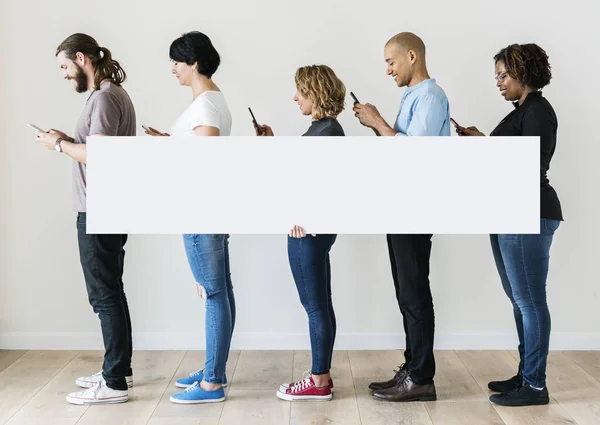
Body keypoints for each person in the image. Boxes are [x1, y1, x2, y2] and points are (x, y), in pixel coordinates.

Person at [458, 43, 562, 407]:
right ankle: (526, 373)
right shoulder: (522, 110)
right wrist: (483, 144)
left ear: (523, 72)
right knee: (521, 300)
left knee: (531, 301)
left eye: (503, 75)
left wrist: (485, 148)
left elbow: (526, 167)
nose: (498, 83)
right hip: (511, 212)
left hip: (528, 211)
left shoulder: (537, 111)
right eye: (496, 77)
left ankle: (535, 385)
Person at [35, 33, 136, 405]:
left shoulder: (107, 96)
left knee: (104, 295)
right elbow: (95, 146)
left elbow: (100, 156)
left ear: (81, 58)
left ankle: (114, 383)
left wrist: (59, 145)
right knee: (111, 291)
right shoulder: (105, 94)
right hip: (103, 207)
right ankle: (117, 369)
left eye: (65, 66)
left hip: (99, 208)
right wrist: (66, 139)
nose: (64, 74)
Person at [353, 32, 450, 402]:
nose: (388, 70)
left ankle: (422, 378)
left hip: (417, 207)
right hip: (401, 205)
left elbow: (417, 158)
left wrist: (378, 121)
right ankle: (412, 369)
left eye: (391, 62)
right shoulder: (413, 97)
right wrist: (377, 126)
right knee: (405, 292)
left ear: (412, 56)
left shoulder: (429, 96)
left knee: (414, 293)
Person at [145, 31, 234, 404]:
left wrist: (167, 152)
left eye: (177, 62)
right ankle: (214, 367)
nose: (173, 70)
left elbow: (204, 165)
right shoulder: (211, 101)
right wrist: (171, 142)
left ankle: (212, 382)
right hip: (206, 210)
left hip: (200, 211)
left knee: (214, 294)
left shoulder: (206, 106)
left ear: (193, 63)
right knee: (220, 292)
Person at [255, 65, 345, 401]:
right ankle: (322, 376)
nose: (295, 97)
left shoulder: (327, 132)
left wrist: (301, 216)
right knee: (321, 304)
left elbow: (323, 185)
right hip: (313, 230)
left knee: (315, 307)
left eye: (300, 91)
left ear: (315, 92)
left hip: (308, 233)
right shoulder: (324, 129)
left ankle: (318, 382)